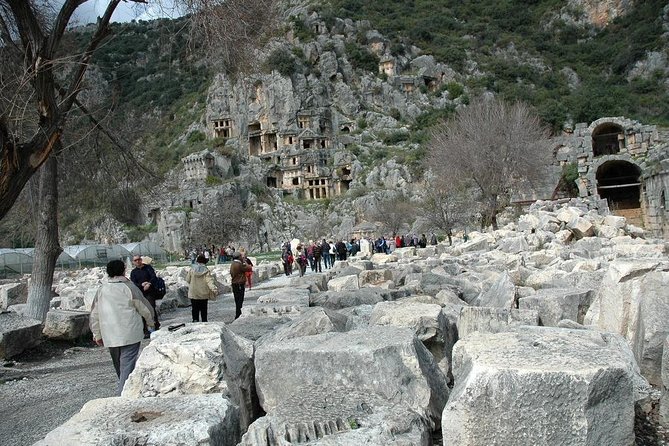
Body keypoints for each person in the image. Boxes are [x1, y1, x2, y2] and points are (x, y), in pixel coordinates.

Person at [90, 259, 155, 395]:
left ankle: (124, 388)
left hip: (110, 334)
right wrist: (151, 322)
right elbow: (144, 308)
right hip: (130, 333)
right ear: (123, 270)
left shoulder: (102, 290)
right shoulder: (129, 287)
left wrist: (97, 334)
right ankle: (124, 393)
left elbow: (94, 314)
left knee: (119, 366)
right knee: (127, 365)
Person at [129, 255, 160, 333]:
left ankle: (156, 326)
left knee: (151, 308)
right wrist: (142, 285)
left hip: (150, 292)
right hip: (140, 293)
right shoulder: (133, 272)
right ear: (133, 262)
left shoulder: (148, 268)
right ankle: (145, 329)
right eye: (135, 260)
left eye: (138, 259)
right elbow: (133, 283)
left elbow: (153, 277)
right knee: (141, 310)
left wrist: (148, 284)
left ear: (141, 260)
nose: (137, 261)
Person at [186, 254, 218, 322]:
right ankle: (204, 323)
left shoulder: (192, 270)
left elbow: (187, 280)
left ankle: (195, 321)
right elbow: (209, 281)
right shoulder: (206, 271)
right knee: (203, 310)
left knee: (195, 309)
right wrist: (214, 289)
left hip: (193, 293)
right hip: (203, 293)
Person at [230, 251, 251, 319]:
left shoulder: (233, 264)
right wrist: (245, 261)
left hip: (234, 283)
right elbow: (249, 268)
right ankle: (238, 314)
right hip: (239, 283)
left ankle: (238, 313)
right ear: (239, 257)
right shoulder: (239, 264)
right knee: (240, 299)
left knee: (237, 299)